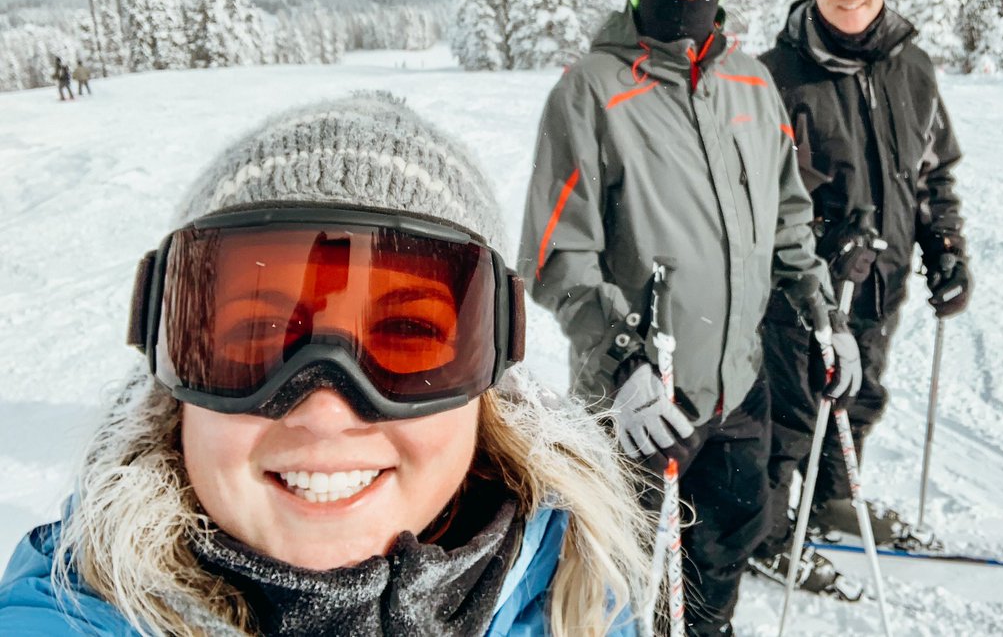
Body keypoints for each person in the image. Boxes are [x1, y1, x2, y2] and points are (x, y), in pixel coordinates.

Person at [0, 92, 651, 636]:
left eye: (405, 333)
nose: (323, 411)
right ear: (172, 383)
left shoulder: (580, 604)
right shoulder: (60, 616)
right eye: (257, 333)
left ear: (489, 382)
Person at [518, 0, 859, 635]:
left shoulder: (750, 83)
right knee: (619, 573)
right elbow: (554, 253)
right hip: (642, 399)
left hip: (738, 386)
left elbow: (789, 217)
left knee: (728, 543)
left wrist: (825, 315)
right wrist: (622, 362)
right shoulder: (592, 92)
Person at [754, 0, 971, 580]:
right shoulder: (775, 78)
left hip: (882, 279)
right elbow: (753, 199)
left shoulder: (913, 69)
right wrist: (822, 241)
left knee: (859, 395)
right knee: (791, 413)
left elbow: (933, 172)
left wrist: (946, 247)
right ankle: (767, 533)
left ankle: (833, 501)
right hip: (801, 290)